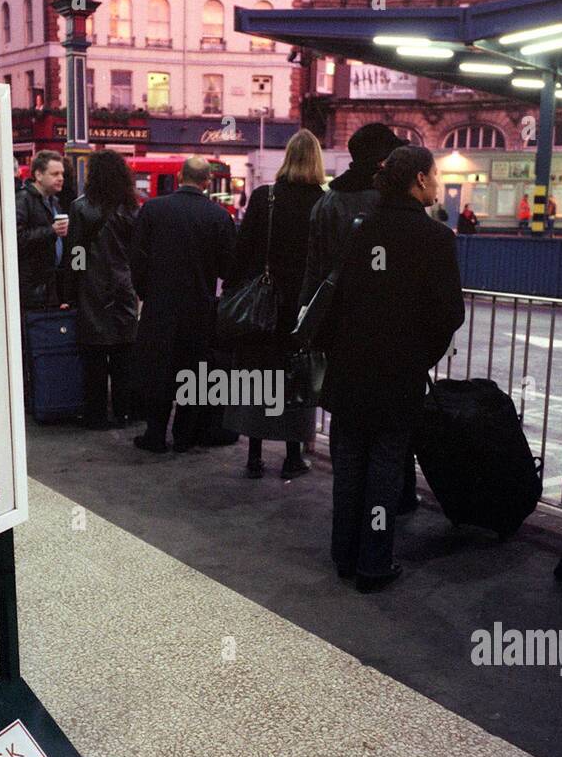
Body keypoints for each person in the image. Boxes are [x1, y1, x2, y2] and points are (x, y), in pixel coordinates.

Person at [321, 145, 464, 592]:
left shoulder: (359, 228)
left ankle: (344, 555)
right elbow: (450, 314)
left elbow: (338, 297)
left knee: (347, 465)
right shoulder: (435, 238)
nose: (437, 184)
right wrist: (421, 355)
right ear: (419, 180)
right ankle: (374, 563)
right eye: (435, 176)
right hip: (397, 375)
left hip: (349, 369)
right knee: (384, 470)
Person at [299, 122, 421, 511]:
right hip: (393, 332)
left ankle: (348, 518)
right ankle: (394, 503)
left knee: (348, 426)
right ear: (382, 161)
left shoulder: (327, 203)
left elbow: (314, 271)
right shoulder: (391, 205)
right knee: (392, 425)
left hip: (342, 333)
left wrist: (310, 328)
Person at [223, 130, 326, 479]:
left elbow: (243, 251)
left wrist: (234, 291)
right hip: (301, 309)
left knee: (258, 377)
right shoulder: (322, 202)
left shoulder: (265, 197)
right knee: (294, 379)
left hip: (263, 305)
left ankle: (254, 456)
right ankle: (292, 457)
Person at [129, 156, 237, 453]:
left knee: (158, 371)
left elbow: (137, 258)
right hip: (199, 308)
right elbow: (228, 268)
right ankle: (184, 436)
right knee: (191, 373)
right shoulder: (218, 217)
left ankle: (154, 435)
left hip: (160, 305)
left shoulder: (153, 209)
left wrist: (145, 292)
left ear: (179, 176)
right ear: (206, 182)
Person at [62, 149, 140, 430]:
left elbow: (77, 251)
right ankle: (123, 411)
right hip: (123, 285)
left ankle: (96, 414)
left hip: (92, 286)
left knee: (94, 356)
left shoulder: (81, 207)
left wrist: (73, 286)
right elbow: (136, 252)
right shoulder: (132, 208)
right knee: (123, 353)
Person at [14, 150, 69, 312]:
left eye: (62, 174)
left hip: (50, 286)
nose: (61, 178)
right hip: (32, 289)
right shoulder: (23, 200)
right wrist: (51, 231)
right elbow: (16, 239)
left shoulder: (54, 202)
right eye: (55, 174)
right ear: (38, 175)